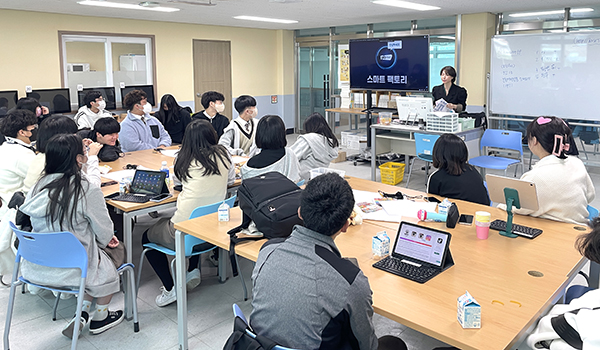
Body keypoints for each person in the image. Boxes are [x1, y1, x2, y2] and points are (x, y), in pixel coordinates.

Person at [250, 173, 407, 350]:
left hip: (260, 345)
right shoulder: (350, 281)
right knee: (394, 344)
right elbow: (367, 345)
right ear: (346, 225)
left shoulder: (268, 250)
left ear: (300, 211)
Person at [19, 134, 124, 338]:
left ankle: (83, 310)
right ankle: (101, 316)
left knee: (87, 254)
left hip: (39, 264)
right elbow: (104, 232)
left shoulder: (37, 187)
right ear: (78, 159)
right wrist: (106, 239)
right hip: (75, 267)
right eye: (84, 152)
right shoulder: (85, 190)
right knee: (115, 251)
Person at [141, 119, 235, 307]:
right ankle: (192, 269)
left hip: (186, 230)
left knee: (146, 237)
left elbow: (178, 183)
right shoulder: (224, 154)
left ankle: (170, 288)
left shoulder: (183, 159)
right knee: (198, 215)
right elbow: (231, 180)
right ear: (212, 135)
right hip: (215, 228)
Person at [499, 116, 594, 226]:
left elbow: (517, 207)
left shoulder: (535, 177)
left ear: (534, 141)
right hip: (581, 226)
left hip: (556, 231)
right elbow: (590, 195)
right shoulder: (577, 162)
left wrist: (501, 205)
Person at [23, 115, 102, 194]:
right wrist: (92, 156)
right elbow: (92, 187)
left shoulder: (42, 156)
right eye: (74, 135)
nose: (77, 137)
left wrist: (80, 150)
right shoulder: (58, 160)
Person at [427, 133, 490, 205]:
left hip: (459, 214)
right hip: (483, 213)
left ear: (437, 154)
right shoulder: (473, 170)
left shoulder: (437, 178)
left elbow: (433, 205)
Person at [240, 115, 300, 183]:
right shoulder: (290, 154)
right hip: (289, 192)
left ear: (259, 135)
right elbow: (295, 178)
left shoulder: (249, 166)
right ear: (283, 133)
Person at [0, 110, 38, 216]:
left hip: (5, 202)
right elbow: (42, 178)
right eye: (32, 129)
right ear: (22, 132)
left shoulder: (5, 146)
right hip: (15, 208)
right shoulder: (21, 154)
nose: (35, 131)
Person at [291, 112, 339, 181]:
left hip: (300, 179)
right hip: (317, 180)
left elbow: (291, 156)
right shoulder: (332, 142)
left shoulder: (309, 139)